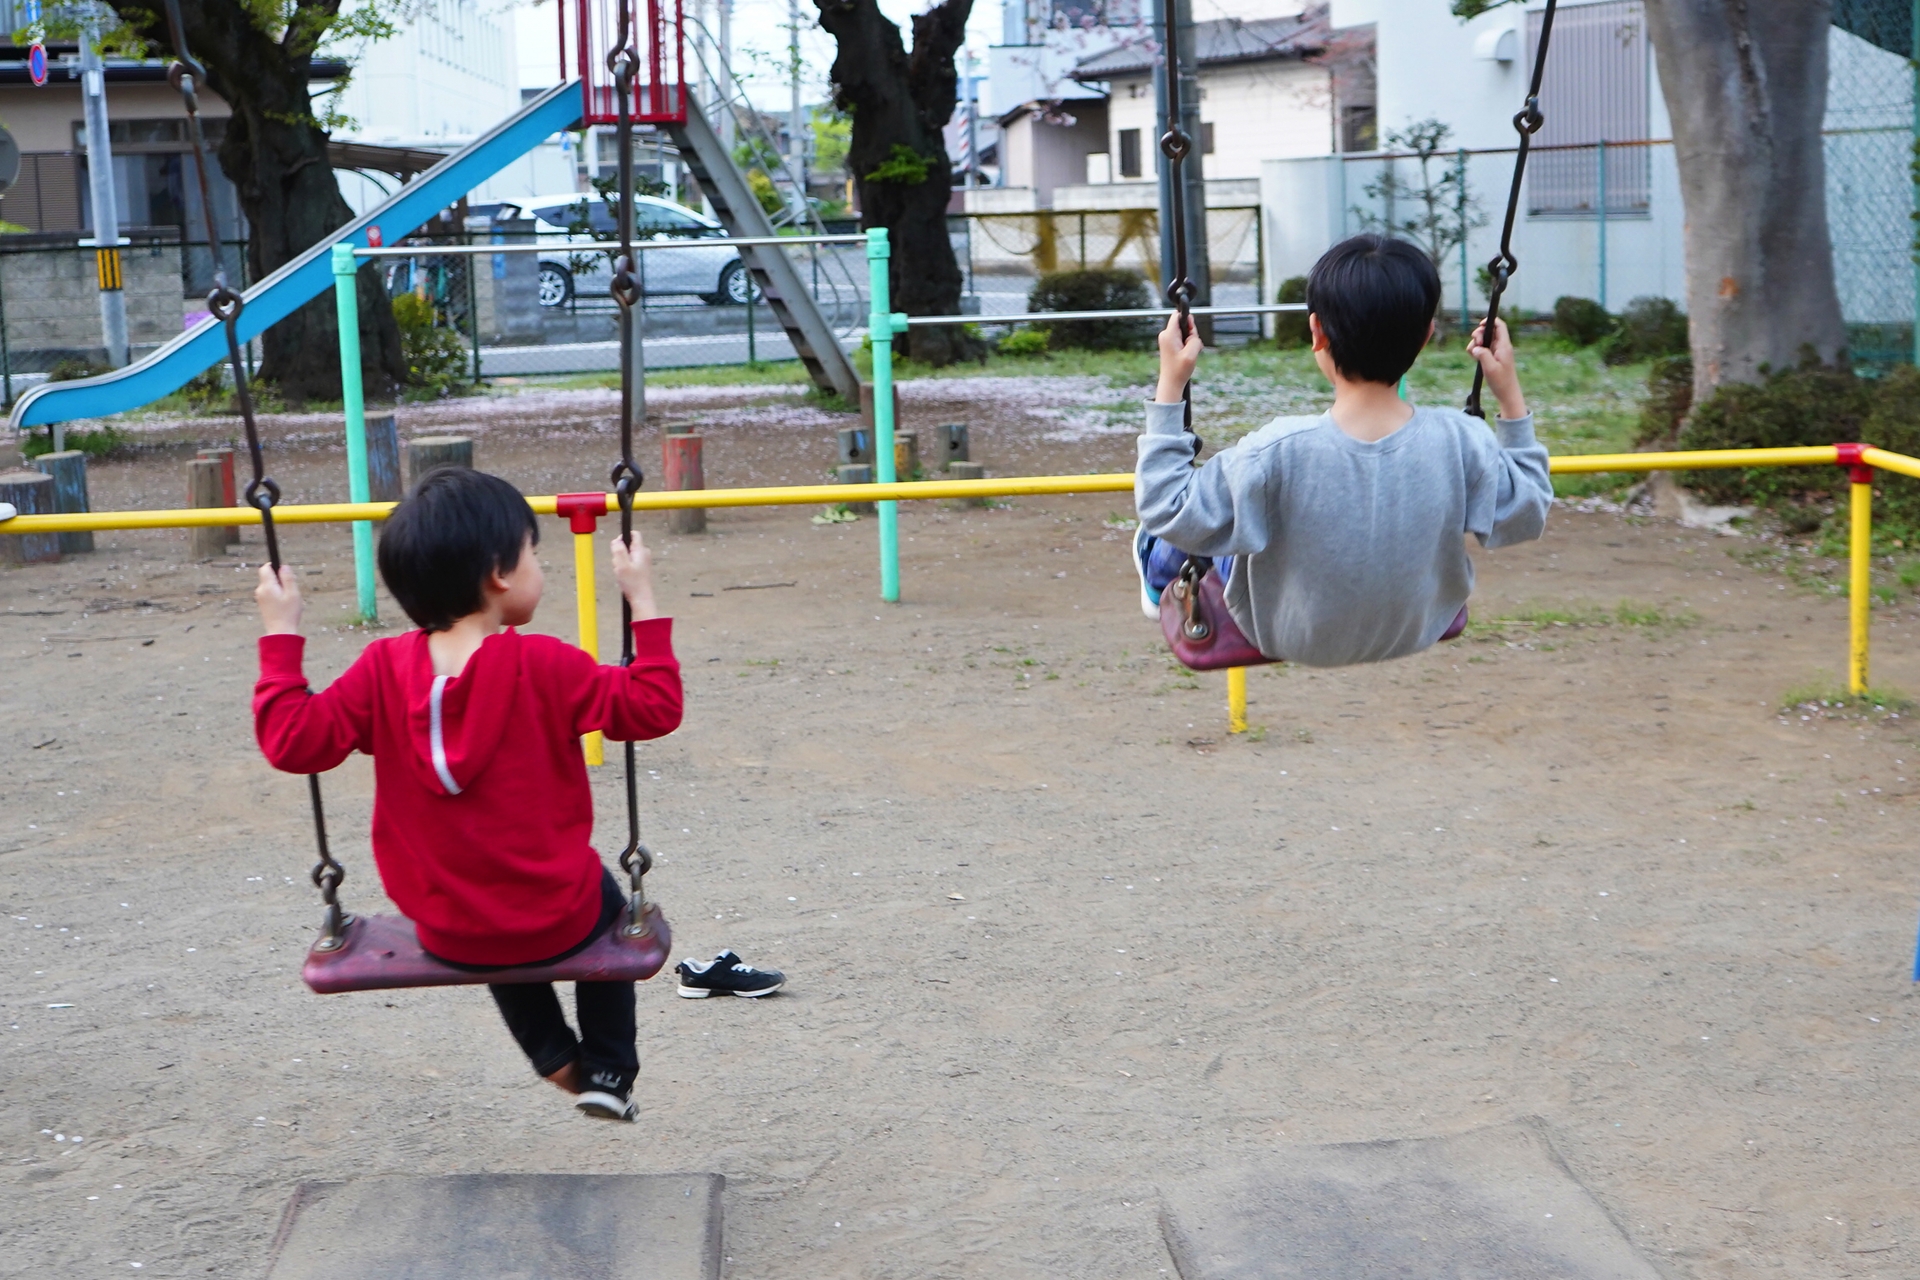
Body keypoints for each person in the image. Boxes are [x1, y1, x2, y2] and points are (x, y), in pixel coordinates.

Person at [251, 468, 777, 1123]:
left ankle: (555, 1057)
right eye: (535, 554)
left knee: (486, 914)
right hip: (558, 916)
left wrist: (280, 633)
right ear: (500, 575)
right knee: (606, 910)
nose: (540, 567)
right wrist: (641, 598)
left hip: (447, 928)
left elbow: (292, 741)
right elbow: (654, 705)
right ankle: (609, 1066)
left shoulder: (379, 672)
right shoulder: (547, 665)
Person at [1133, 234, 1553, 667]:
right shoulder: (1464, 441)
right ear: (1426, 335)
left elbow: (1165, 506)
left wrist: (1171, 384)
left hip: (1286, 632)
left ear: (1317, 332)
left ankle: (1157, 578)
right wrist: (1509, 394)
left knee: (1186, 519)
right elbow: (1528, 511)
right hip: (1418, 624)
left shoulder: (1273, 452)